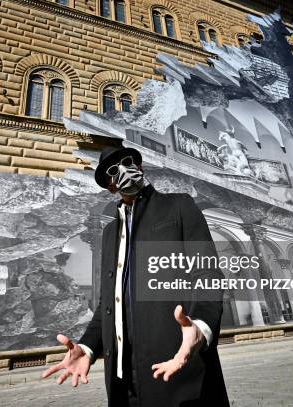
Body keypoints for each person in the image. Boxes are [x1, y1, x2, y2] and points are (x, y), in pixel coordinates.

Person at [42, 146, 229, 406]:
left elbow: (207, 273)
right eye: (113, 170)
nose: (123, 171)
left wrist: (202, 324)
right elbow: (108, 302)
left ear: (139, 167)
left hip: (179, 368)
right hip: (121, 382)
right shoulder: (109, 233)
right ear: (109, 186)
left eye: (128, 162)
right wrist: (87, 348)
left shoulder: (179, 205)